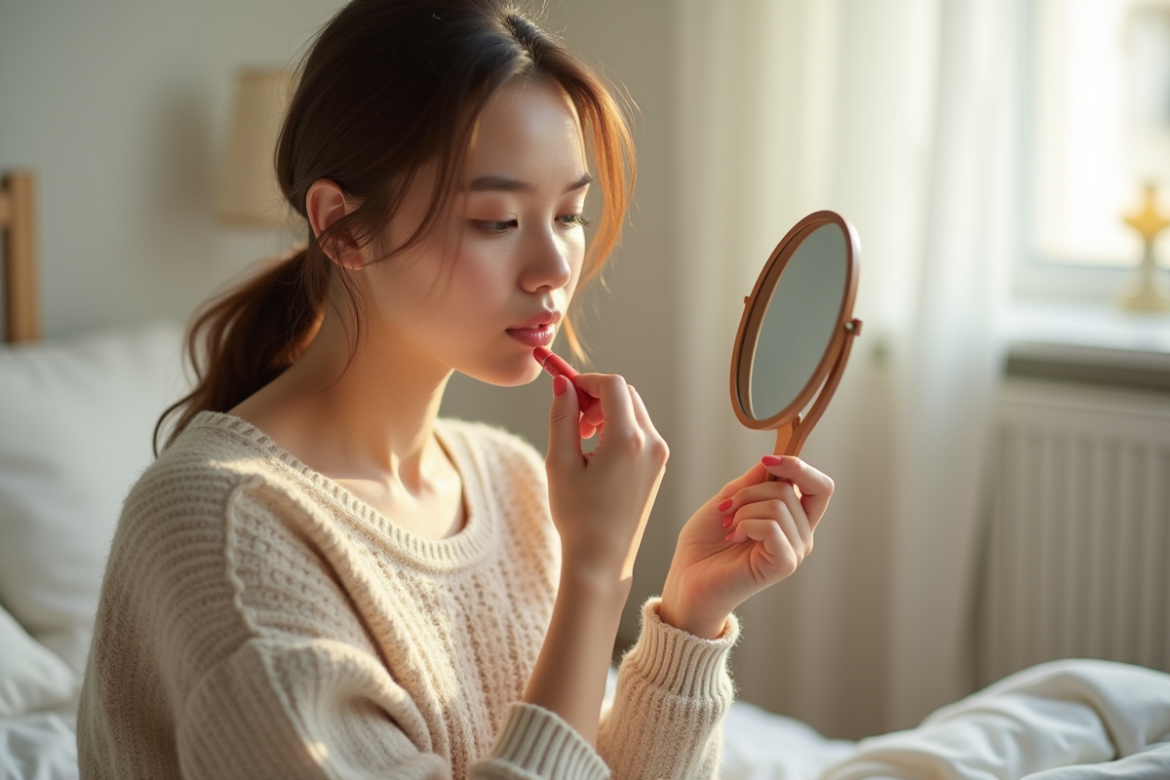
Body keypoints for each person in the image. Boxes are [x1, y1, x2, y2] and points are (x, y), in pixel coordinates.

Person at [76, 1, 834, 777]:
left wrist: (688, 616)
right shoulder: (222, 527)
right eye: (496, 221)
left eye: (569, 213)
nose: (553, 268)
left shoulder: (511, 483)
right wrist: (596, 571)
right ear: (342, 226)